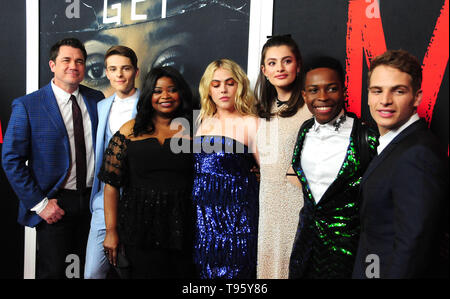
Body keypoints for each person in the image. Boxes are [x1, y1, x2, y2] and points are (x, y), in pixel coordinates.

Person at [2, 38, 104, 278]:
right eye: (66, 60)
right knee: (55, 272)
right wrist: (40, 204)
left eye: (79, 61)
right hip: (56, 203)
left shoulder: (97, 99)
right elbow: (11, 159)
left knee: (90, 271)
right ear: (52, 65)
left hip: (94, 202)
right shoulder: (28, 105)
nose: (73, 66)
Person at [352, 50, 449, 278]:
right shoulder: (396, 144)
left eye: (398, 91)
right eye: (377, 91)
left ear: (416, 97)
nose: (385, 100)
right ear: (368, 96)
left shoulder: (418, 154)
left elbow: (413, 247)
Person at [287, 56, 378, 279]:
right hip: (305, 248)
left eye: (331, 89)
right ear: (304, 95)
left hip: (348, 252)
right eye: (314, 90)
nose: (323, 97)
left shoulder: (366, 137)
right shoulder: (304, 130)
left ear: (343, 90)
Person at [99, 66, 194, 278]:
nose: (165, 96)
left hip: (184, 228)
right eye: (158, 91)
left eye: (172, 89)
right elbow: (111, 186)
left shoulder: (197, 129)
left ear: (182, 93)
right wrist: (111, 231)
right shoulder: (129, 130)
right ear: (149, 94)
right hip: (138, 228)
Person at [193, 59, 259, 279]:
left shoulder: (251, 123)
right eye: (216, 84)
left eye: (229, 83)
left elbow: (268, 174)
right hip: (205, 220)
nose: (223, 89)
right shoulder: (202, 120)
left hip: (238, 220)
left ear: (239, 86)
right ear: (208, 89)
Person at [254, 35, 312, 278]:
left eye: (286, 61)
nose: (280, 68)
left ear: (298, 65)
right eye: (273, 63)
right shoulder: (259, 109)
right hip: (268, 203)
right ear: (264, 70)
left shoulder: (313, 104)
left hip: (299, 201)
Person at [84, 45, 140, 279]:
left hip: (137, 199)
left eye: (125, 68)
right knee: (93, 273)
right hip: (103, 199)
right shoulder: (102, 106)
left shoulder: (150, 103)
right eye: (113, 69)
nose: (119, 74)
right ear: (106, 73)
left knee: (132, 270)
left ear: (136, 71)